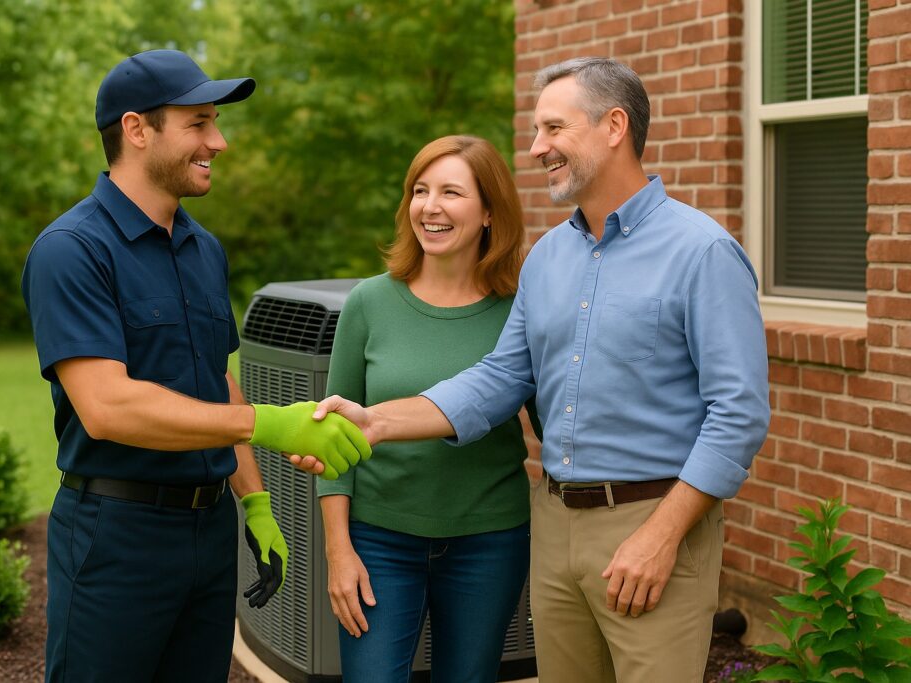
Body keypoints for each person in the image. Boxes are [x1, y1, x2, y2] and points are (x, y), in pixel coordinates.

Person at [308, 57, 770, 683]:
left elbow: (737, 413)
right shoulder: (549, 257)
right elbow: (499, 379)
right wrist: (377, 422)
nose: (535, 147)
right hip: (554, 527)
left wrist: (662, 535)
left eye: (554, 129)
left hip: (654, 522)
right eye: (536, 131)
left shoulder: (702, 251)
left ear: (614, 126)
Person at [21, 49, 370, 683]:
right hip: (116, 538)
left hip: (210, 535)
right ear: (137, 130)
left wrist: (256, 502)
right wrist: (266, 423)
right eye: (199, 123)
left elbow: (217, 379)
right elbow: (106, 407)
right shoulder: (71, 252)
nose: (220, 141)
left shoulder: (203, 248)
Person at [317, 135, 533, 683]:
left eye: (451, 192)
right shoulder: (368, 303)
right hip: (378, 539)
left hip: (489, 541)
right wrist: (339, 552)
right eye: (420, 190)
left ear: (489, 212)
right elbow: (332, 438)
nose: (429, 207)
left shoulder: (522, 311)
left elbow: (556, 427)